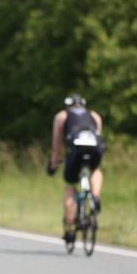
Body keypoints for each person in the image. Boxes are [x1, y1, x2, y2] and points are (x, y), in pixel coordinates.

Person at [46, 94, 104, 244]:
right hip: (95, 148)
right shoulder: (94, 115)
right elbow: (99, 137)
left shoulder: (61, 116)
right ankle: (95, 196)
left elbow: (56, 145)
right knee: (95, 170)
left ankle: (70, 224)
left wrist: (53, 165)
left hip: (76, 149)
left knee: (70, 184)